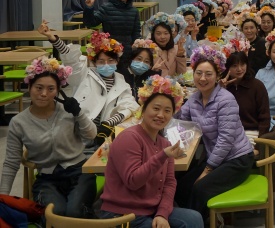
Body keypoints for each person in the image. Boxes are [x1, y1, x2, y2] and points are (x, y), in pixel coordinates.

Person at [100, 75, 204, 228]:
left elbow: (169, 183)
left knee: (193, 218)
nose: (161, 115)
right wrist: (163, 155)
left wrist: (162, 213)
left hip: (150, 209)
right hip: (123, 213)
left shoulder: (165, 143)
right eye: (156, 108)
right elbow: (133, 181)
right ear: (143, 109)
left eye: (167, 110)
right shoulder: (129, 137)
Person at [0, 57, 96, 218]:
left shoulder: (68, 110)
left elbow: (91, 135)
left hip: (79, 172)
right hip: (47, 179)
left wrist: (78, 113)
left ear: (57, 91)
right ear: (29, 87)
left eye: (51, 89)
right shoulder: (18, 122)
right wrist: (3, 197)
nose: (44, 94)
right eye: (39, 88)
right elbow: (11, 162)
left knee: (75, 212)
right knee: (55, 214)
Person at [175, 46, 254, 224]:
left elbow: (226, 140)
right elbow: (181, 123)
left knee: (200, 188)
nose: (203, 78)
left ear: (217, 76)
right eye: (198, 73)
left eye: (208, 74)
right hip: (216, 158)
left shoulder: (226, 100)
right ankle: (195, 221)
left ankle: (201, 223)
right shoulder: (194, 99)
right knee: (181, 186)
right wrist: (171, 105)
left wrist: (207, 170)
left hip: (237, 159)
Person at [41, 22, 139, 137]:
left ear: (117, 61)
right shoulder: (84, 74)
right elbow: (71, 59)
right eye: (101, 61)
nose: (106, 65)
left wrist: (108, 123)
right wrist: (53, 38)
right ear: (94, 62)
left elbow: (130, 106)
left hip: (101, 133)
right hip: (76, 130)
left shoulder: (122, 84)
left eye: (110, 61)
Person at [83, 0, 141, 70]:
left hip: (127, 53)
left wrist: (137, 51)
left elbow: (136, 34)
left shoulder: (134, 11)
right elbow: (90, 23)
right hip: (109, 52)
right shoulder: (106, 7)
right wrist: (89, 8)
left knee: (125, 77)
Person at [220, 45, 271, 143]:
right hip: (227, 132)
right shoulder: (222, 87)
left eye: (242, 64)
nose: (239, 69)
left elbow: (265, 117)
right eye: (234, 66)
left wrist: (261, 141)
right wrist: (221, 91)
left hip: (251, 132)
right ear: (227, 67)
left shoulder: (257, 86)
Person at [147, 12, 187, 77]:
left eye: (166, 33)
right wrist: (152, 71)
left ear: (171, 34)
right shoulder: (148, 50)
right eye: (158, 34)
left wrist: (180, 57)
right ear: (153, 35)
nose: (162, 37)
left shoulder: (177, 49)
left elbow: (182, 74)